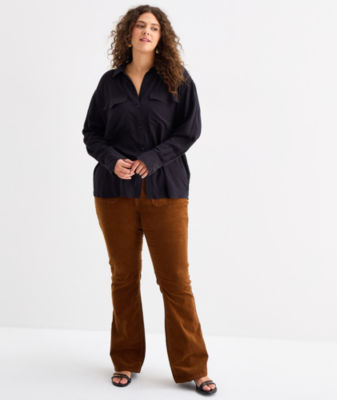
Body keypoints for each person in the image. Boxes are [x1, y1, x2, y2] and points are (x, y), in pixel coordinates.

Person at [81, 5, 217, 395]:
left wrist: (152, 159)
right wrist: (112, 160)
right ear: (128, 34)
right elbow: (92, 133)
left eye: (153, 27)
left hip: (167, 192)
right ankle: (124, 360)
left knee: (175, 280)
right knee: (124, 278)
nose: (146, 31)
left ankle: (194, 367)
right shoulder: (109, 84)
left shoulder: (177, 80)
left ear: (161, 37)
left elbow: (190, 130)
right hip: (114, 194)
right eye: (139, 26)